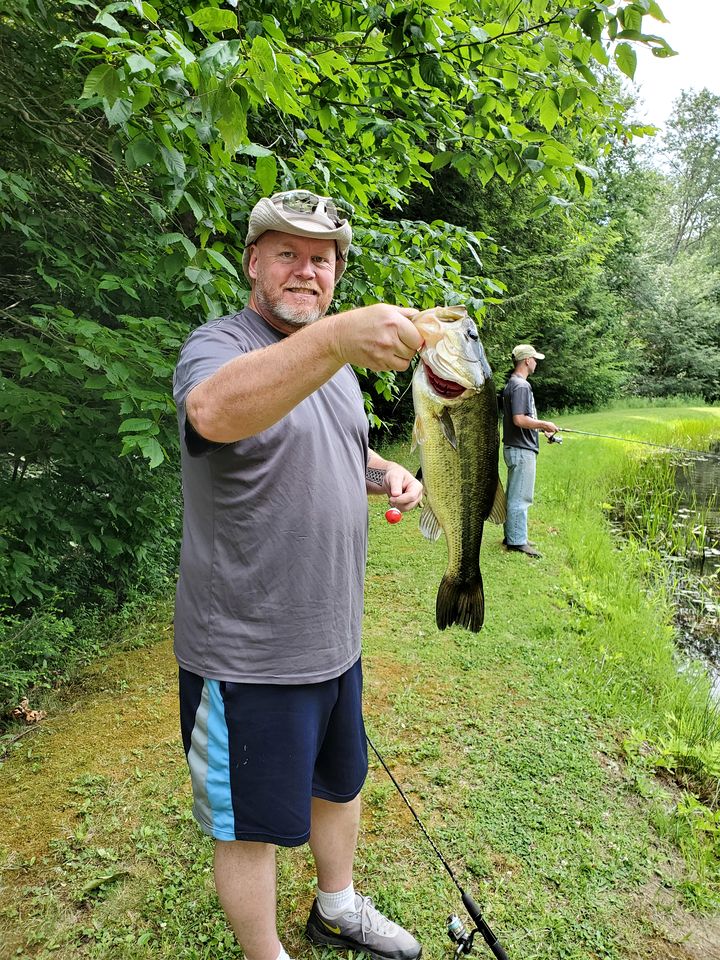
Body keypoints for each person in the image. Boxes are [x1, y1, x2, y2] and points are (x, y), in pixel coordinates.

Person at [172, 189, 425, 960]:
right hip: (246, 653)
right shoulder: (219, 346)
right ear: (253, 262)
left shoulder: (332, 365)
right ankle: (265, 954)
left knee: (339, 784)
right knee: (249, 825)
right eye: (287, 252)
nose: (306, 271)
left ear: (337, 274)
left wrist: (388, 474)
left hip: (333, 638)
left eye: (322, 259)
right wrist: (341, 339)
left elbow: (341, 443)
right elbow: (212, 415)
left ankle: (336, 908)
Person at [501, 344, 560, 558]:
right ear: (527, 360)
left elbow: (524, 419)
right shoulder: (521, 386)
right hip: (521, 450)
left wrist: (542, 430)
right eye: (535, 359)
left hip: (516, 447)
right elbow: (519, 419)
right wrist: (544, 425)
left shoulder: (513, 384)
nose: (536, 363)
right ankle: (517, 542)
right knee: (521, 496)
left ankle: (515, 535)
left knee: (515, 494)